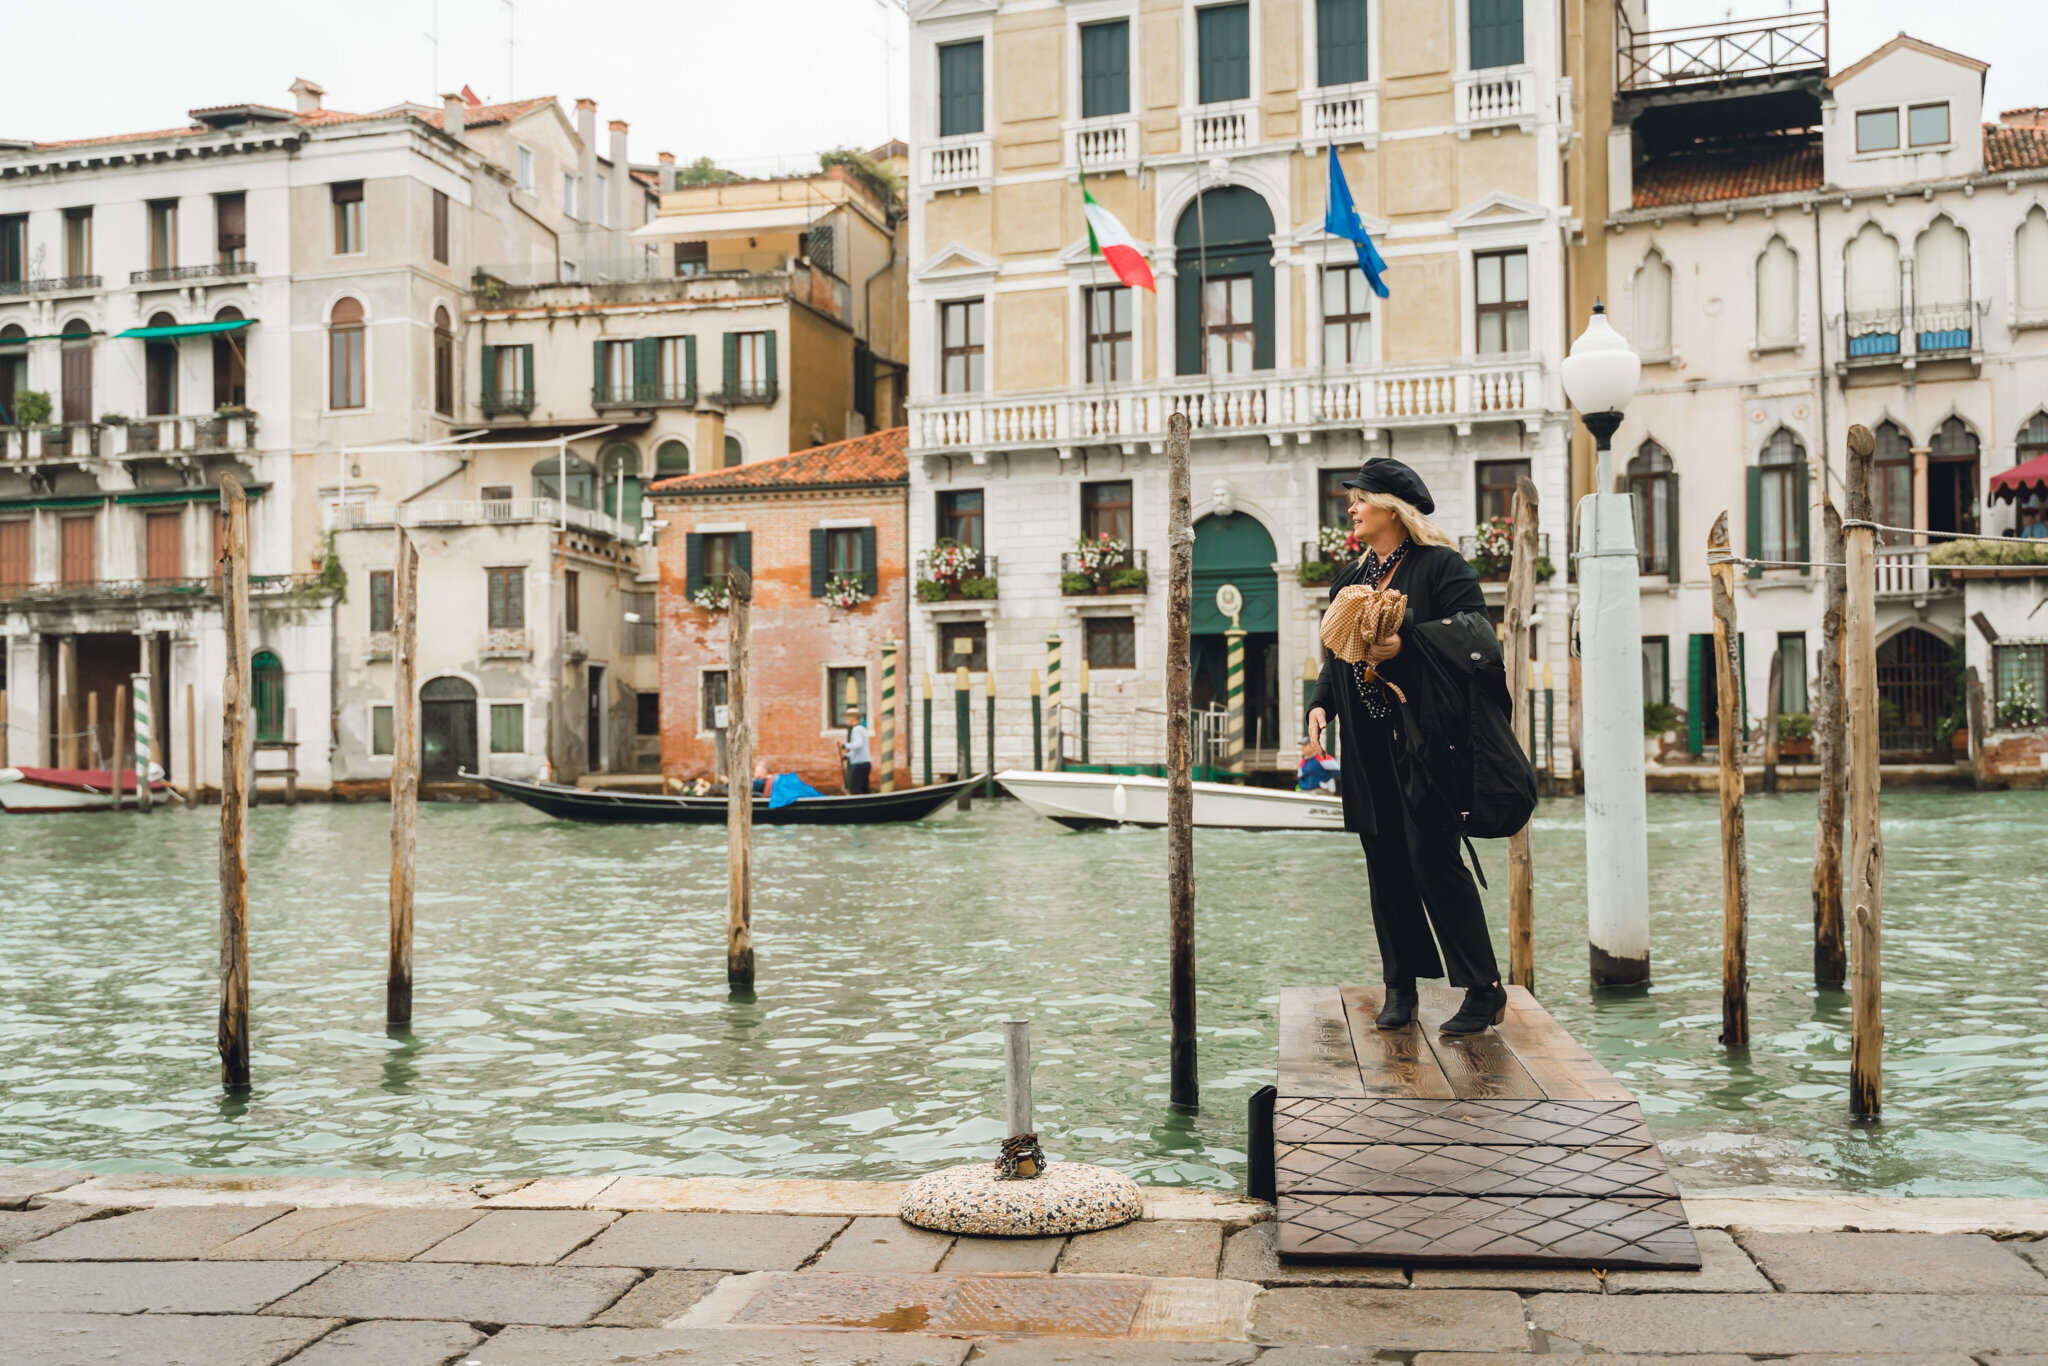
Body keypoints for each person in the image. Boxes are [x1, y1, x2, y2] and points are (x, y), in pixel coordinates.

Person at [1305, 457, 1507, 1037]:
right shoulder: (1350, 578)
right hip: (1365, 744)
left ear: (1391, 507)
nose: (1351, 507)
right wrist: (1321, 703)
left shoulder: (1440, 566)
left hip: (1424, 741)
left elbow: (1478, 635)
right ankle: (1400, 986)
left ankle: (1484, 988)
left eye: (1360, 498)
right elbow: (1335, 653)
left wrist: (1406, 639)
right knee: (1384, 862)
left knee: (1432, 858)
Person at [839, 707, 873, 794]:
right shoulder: (862, 729)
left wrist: (844, 745)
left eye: (847, 718)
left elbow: (858, 744)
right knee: (865, 790)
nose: (846, 720)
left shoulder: (856, 729)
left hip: (859, 765)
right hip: (866, 764)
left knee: (855, 790)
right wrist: (847, 756)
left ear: (852, 718)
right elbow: (858, 749)